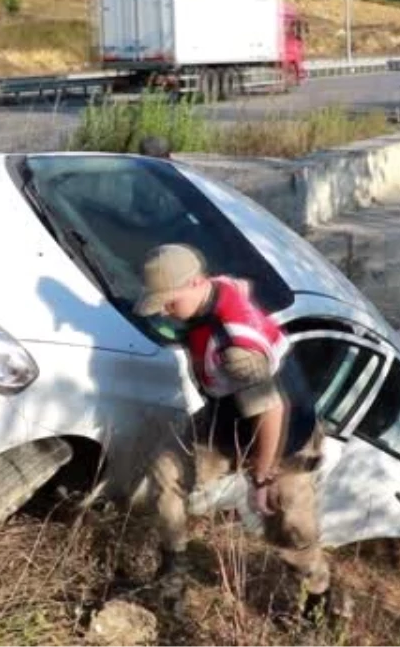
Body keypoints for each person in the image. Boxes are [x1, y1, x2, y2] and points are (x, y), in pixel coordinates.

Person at [133, 243, 332, 620]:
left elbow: (272, 410)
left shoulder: (236, 347)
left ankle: (317, 595)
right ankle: (174, 567)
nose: (164, 311)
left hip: (284, 444)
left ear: (195, 283)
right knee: (165, 474)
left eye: (169, 303)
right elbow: (235, 286)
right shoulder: (213, 291)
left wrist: (261, 477)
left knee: (291, 528)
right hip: (227, 422)